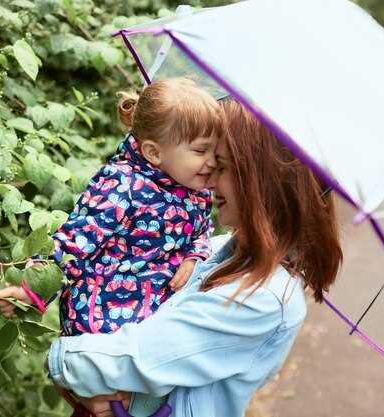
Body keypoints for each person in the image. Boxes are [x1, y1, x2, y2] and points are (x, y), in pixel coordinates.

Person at [45, 99, 343, 416]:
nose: (211, 180)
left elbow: (134, 359)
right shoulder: (219, 250)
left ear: (261, 183)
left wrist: (63, 364)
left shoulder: (265, 298)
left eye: (223, 167)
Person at [0, 78, 222, 416]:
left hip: (153, 311)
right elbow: (75, 242)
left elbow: (203, 230)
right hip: (106, 309)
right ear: (154, 152)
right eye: (201, 151)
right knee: (110, 394)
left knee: (149, 385)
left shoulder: (197, 189)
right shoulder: (122, 183)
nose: (212, 161)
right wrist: (31, 287)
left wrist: (194, 255)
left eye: (215, 150)